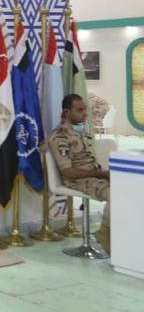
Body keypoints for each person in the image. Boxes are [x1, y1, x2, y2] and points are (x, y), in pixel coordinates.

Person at [48, 93, 112, 253]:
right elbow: (68, 172)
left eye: (85, 109)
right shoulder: (59, 137)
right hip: (79, 181)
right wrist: (100, 174)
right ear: (67, 112)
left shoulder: (81, 131)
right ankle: (105, 233)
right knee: (116, 194)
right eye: (79, 110)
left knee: (130, 189)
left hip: (94, 176)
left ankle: (119, 235)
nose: (85, 114)